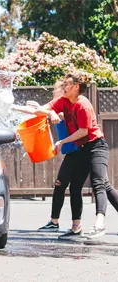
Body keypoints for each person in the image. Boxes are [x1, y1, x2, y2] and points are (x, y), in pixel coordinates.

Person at [42, 73, 118, 239]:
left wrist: (62, 141)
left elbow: (83, 131)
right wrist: (49, 113)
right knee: (75, 186)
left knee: (100, 183)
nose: (63, 87)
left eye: (66, 84)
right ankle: (76, 227)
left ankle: (99, 224)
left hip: (96, 146)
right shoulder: (63, 101)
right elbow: (43, 108)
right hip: (80, 149)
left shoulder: (83, 105)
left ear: (76, 87)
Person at [11, 81, 87, 239]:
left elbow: (58, 115)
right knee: (67, 187)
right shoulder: (58, 107)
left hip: (79, 152)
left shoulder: (67, 108)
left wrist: (48, 112)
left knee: (95, 187)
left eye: (56, 95)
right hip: (72, 153)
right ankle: (57, 222)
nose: (54, 99)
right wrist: (14, 107)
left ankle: (62, 223)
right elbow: (38, 112)